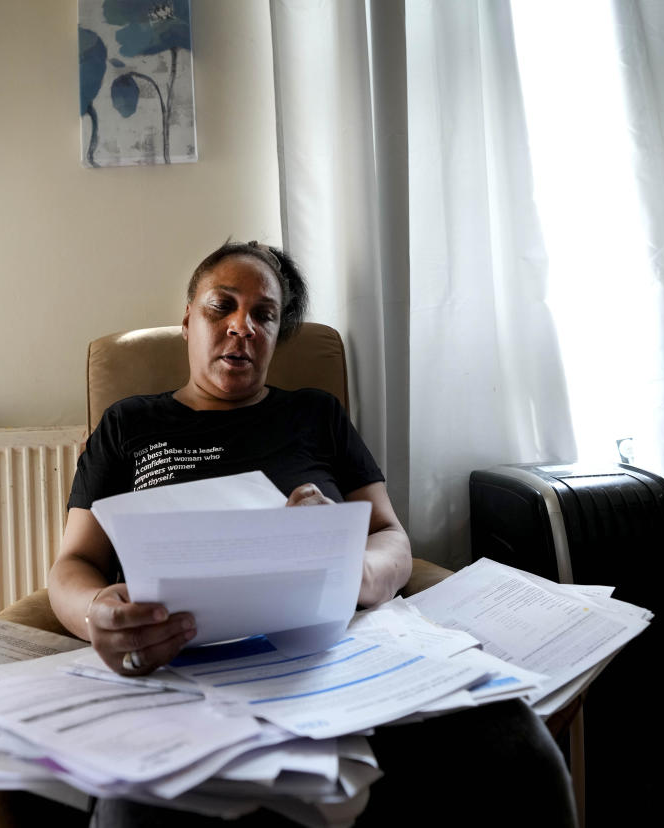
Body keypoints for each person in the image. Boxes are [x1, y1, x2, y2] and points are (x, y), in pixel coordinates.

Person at [47, 241, 575, 827]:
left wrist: (348, 563)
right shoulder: (130, 422)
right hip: (180, 668)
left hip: (336, 655)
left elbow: (390, 537)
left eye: (264, 315)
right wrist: (100, 613)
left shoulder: (315, 414)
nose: (242, 326)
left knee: (516, 745)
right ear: (188, 322)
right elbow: (73, 564)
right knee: (134, 809)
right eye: (222, 306)